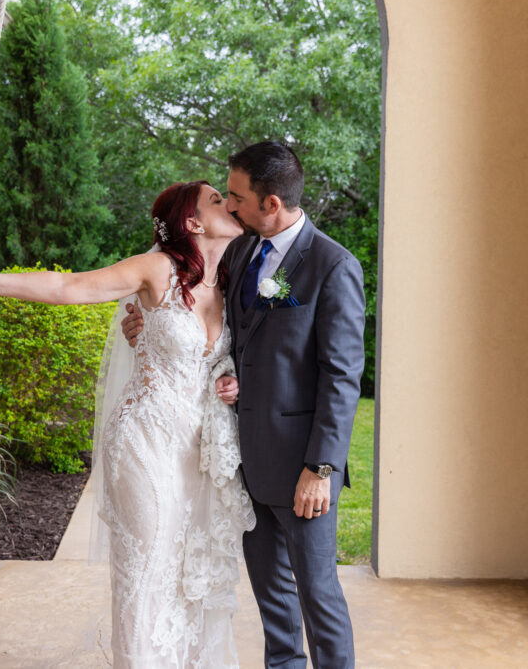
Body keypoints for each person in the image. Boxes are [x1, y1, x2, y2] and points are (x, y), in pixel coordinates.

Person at [0, 180, 256, 668]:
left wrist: (229, 377)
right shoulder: (157, 269)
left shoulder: (233, 280)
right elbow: (71, 287)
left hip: (198, 451)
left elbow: (226, 357)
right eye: (218, 200)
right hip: (145, 441)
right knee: (148, 569)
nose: (230, 205)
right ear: (192, 223)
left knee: (190, 572)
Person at [123, 142, 366, 668]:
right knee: (273, 599)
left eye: (237, 197)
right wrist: (144, 322)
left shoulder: (332, 266)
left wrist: (320, 468)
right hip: (245, 464)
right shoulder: (239, 252)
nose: (229, 206)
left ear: (271, 202)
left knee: (318, 598)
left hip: (304, 469)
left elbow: (342, 377)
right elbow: (213, 324)